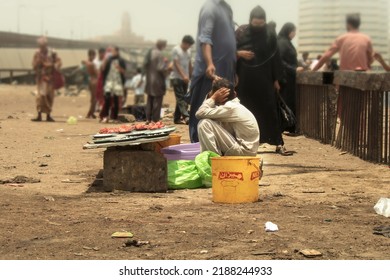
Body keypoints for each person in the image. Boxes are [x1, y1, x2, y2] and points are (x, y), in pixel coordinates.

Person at [236, 6, 292, 156]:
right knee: (245, 112)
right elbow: (231, 52)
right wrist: (239, 54)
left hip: (265, 79)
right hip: (245, 80)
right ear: (250, 21)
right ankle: (245, 144)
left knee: (269, 111)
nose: (258, 27)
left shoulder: (270, 35)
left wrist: (276, 79)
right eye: (255, 24)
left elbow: (275, 57)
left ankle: (278, 143)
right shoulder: (241, 34)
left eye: (261, 24)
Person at [189, 0, 237, 143]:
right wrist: (209, 63)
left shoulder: (227, 8)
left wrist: (233, 70)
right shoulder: (210, 7)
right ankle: (198, 147)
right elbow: (205, 38)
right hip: (211, 72)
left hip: (226, 71)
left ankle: (219, 148)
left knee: (222, 110)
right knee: (204, 109)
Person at [196, 79, 259, 156]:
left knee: (204, 123)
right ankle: (214, 158)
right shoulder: (233, 106)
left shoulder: (230, 107)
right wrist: (212, 96)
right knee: (211, 120)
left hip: (243, 152)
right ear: (235, 94)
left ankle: (212, 161)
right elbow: (204, 112)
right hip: (244, 150)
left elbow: (200, 113)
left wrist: (212, 98)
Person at [277, 22, 304, 133]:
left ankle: (290, 125)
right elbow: (281, 61)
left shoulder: (286, 42)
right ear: (289, 31)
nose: (295, 34)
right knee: (288, 101)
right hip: (286, 78)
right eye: (294, 31)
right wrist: (294, 69)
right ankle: (288, 126)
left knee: (290, 101)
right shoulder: (283, 43)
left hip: (290, 78)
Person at [31, 37, 62, 122]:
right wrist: (38, 64)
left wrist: (52, 65)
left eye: (43, 45)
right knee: (41, 96)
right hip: (41, 78)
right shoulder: (37, 53)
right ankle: (39, 114)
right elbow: (34, 64)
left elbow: (58, 62)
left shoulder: (52, 52)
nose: (42, 47)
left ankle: (48, 115)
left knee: (50, 96)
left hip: (51, 78)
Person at [171, 35, 195, 125]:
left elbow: (189, 64)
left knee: (182, 98)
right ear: (184, 43)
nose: (189, 47)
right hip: (177, 77)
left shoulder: (189, 51)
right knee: (181, 98)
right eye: (188, 45)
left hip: (185, 78)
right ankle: (186, 116)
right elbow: (176, 64)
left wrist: (191, 75)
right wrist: (183, 75)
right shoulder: (176, 50)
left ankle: (177, 119)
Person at [144, 40, 170, 123]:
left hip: (149, 80)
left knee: (149, 100)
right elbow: (161, 68)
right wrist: (168, 68)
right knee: (157, 101)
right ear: (162, 46)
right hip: (157, 81)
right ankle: (155, 120)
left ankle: (148, 119)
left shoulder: (150, 53)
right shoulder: (159, 54)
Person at [100, 46, 126, 123]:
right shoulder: (109, 60)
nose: (112, 53)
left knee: (116, 100)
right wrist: (104, 61)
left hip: (117, 82)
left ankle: (114, 117)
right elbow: (103, 69)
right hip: (109, 81)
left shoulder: (121, 60)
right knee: (107, 98)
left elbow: (124, 72)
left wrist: (119, 68)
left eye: (113, 51)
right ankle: (105, 116)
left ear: (117, 52)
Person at [84, 49, 98, 119]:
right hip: (95, 80)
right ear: (92, 55)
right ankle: (89, 113)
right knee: (95, 98)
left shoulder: (87, 62)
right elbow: (97, 73)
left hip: (90, 80)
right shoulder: (92, 64)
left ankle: (91, 113)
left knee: (93, 98)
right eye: (94, 55)